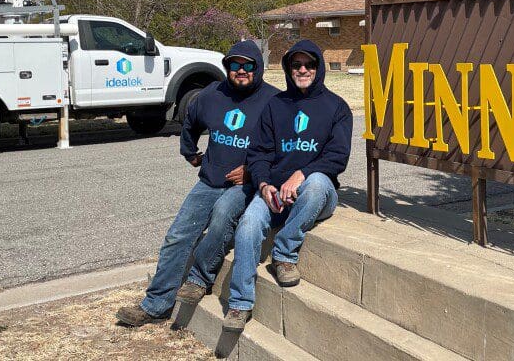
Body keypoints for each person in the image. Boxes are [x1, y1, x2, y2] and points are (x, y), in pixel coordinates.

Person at [116, 40, 277, 327]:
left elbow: (283, 149)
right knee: (177, 236)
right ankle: (155, 306)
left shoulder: (274, 102)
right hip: (209, 180)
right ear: (227, 67)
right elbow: (190, 122)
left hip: (245, 186)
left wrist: (252, 171)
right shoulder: (211, 94)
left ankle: (199, 278)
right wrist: (190, 152)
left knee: (222, 217)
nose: (241, 71)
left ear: (258, 67)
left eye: (248, 65)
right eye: (234, 65)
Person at [222, 40, 352, 332]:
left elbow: (337, 158)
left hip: (315, 194)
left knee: (317, 183)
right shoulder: (275, 106)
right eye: (296, 65)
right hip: (275, 191)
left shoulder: (337, 107)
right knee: (249, 224)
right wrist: (265, 184)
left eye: (309, 64)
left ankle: (283, 254)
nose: (303, 70)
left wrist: (301, 174)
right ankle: (240, 304)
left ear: (318, 68)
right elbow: (259, 153)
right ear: (288, 68)